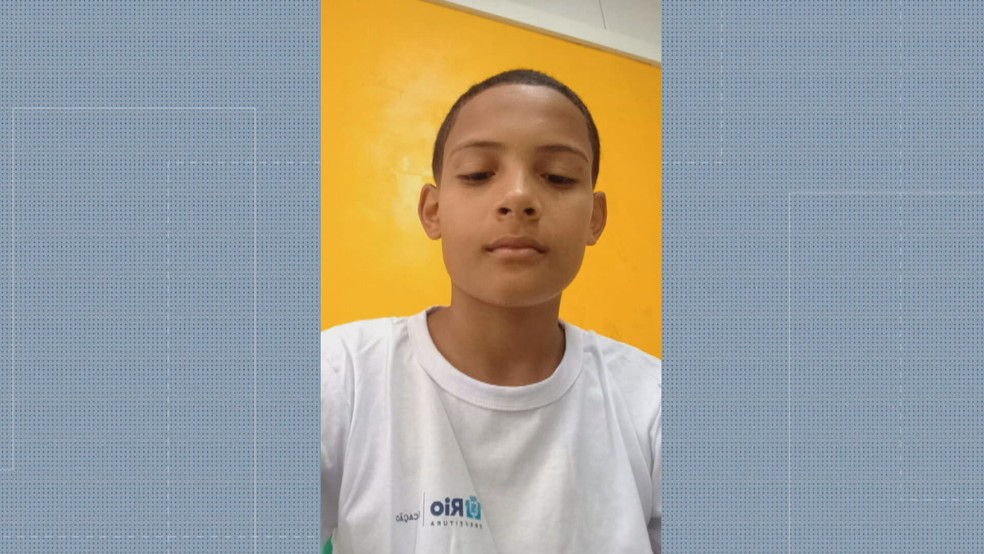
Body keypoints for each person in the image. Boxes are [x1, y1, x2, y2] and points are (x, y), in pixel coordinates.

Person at [321, 68, 661, 553]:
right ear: (433, 210)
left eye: (558, 177)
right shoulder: (341, 374)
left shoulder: (653, 402)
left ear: (595, 217)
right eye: (479, 173)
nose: (518, 197)